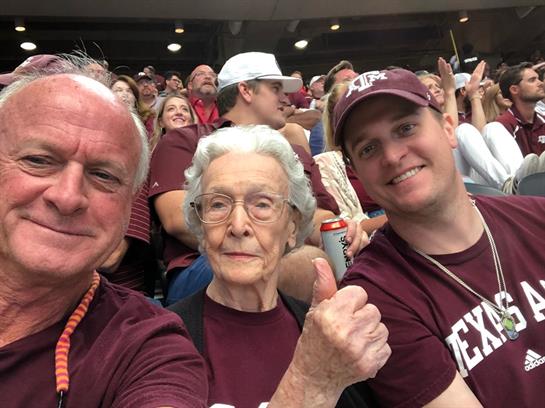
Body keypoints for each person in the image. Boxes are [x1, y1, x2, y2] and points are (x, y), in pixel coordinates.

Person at [0, 55, 207, 406]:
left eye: (104, 176)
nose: (67, 197)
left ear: (130, 206)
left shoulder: (149, 349)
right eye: (38, 160)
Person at [333, 67, 545, 407]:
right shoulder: (375, 297)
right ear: (356, 173)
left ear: (448, 127)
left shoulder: (537, 217)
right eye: (369, 148)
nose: (392, 155)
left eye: (405, 128)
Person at [169, 125, 390, 407]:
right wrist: (312, 381)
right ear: (200, 222)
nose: (238, 226)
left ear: (292, 226)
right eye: (218, 204)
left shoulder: (328, 335)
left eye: (262, 204)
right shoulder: (164, 340)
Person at [150, 51, 366, 305]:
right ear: (246, 91)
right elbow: (178, 219)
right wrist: (280, 227)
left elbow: (322, 218)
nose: (285, 98)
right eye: (275, 88)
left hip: (286, 254)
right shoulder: (184, 140)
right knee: (304, 263)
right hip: (203, 266)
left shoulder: (295, 152)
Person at [497, 62, 545, 156]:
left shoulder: (543, 120)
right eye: (532, 80)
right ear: (514, 90)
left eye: (538, 78)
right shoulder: (503, 126)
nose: (540, 83)